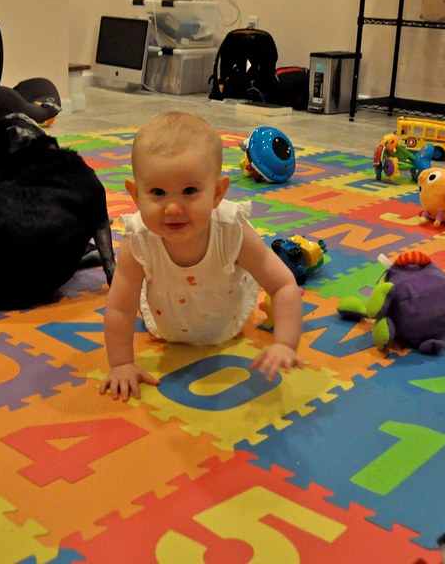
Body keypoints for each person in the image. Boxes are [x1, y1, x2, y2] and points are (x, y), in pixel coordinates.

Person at [100, 110, 304, 401]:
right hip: (162, 327)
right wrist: (121, 364)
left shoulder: (232, 230)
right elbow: (120, 309)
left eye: (189, 190)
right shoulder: (139, 240)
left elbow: (282, 285)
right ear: (135, 195)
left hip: (228, 326)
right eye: (157, 192)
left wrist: (284, 343)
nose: (173, 208)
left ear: (218, 193)